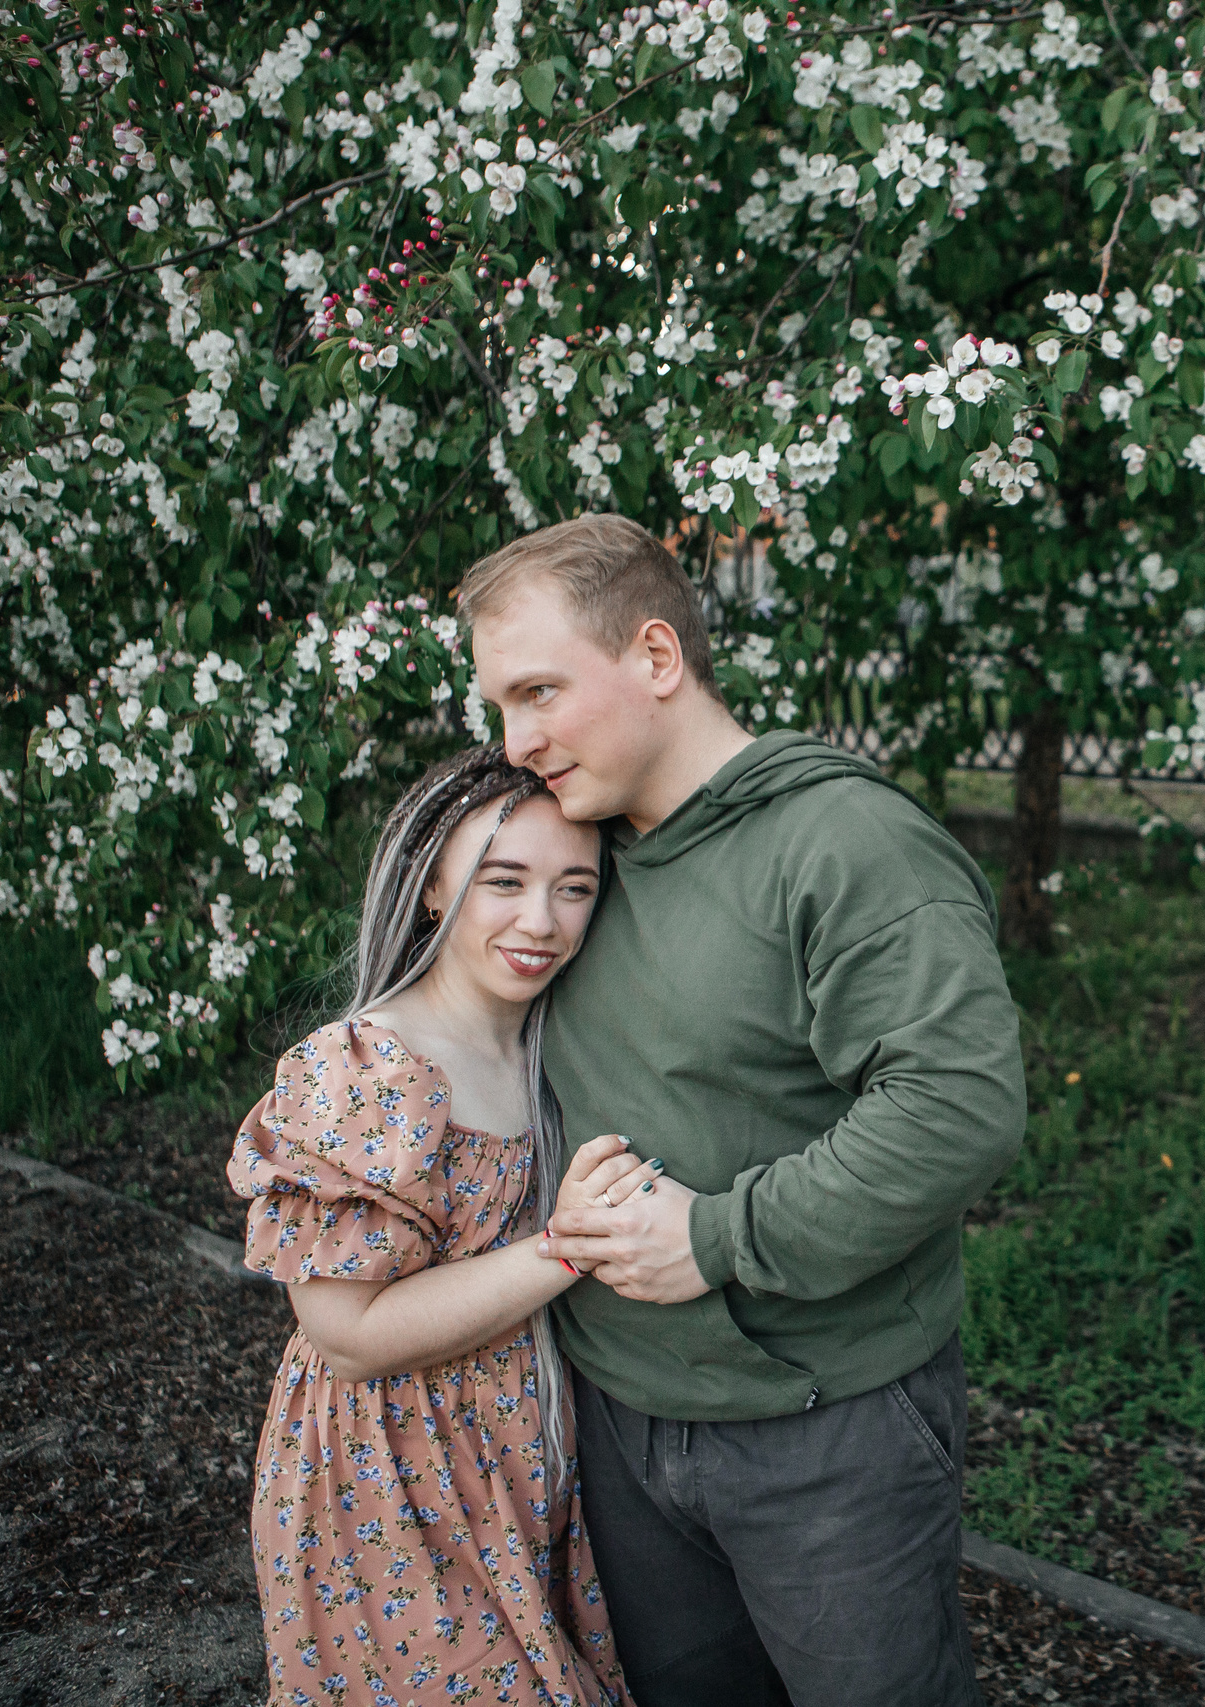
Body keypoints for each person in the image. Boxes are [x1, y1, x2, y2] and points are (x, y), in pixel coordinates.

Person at [460, 513, 1027, 1707]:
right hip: (618, 1417)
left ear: (656, 658)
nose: (517, 743)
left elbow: (956, 1109)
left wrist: (716, 1238)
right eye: (500, 707)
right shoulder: (573, 859)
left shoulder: (845, 843)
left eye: (540, 692)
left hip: (824, 1428)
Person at [229, 745, 650, 1707]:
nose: (540, 921)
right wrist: (566, 1245)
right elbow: (348, 1334)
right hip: (382, 1479)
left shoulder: (559, 1043)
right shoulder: (371, 1069)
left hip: (522, 1460)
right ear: (429, 887)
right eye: (503, 881)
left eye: (575, 887)